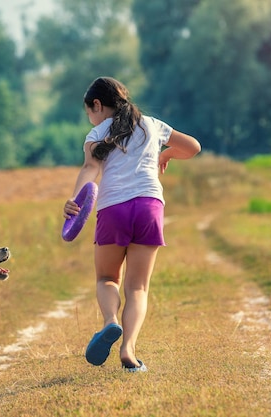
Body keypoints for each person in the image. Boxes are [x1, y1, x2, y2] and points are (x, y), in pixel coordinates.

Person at [63, 77, 201, 372]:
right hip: (150, 206)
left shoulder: (97, 132)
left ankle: (110, 322)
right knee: (137, 287)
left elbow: (90, 168)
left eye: (89, 111)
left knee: (107, 279)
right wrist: (166, 153)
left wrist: (75, 202)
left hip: (114, 208)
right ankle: (129, 350)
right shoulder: (152, 124)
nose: (90, 117)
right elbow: (193, 147)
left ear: (97, 105)